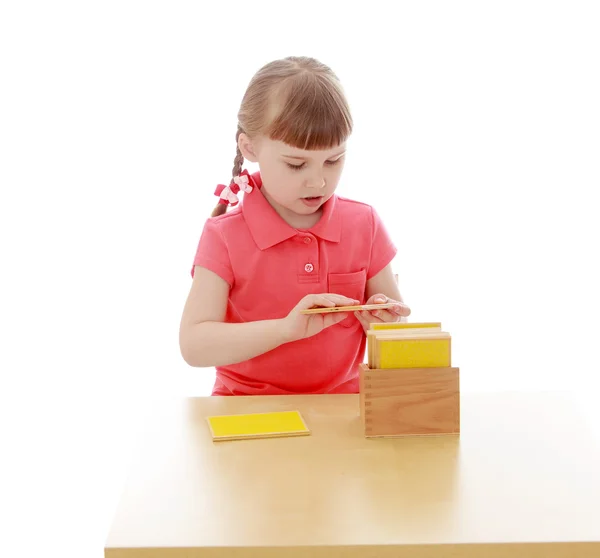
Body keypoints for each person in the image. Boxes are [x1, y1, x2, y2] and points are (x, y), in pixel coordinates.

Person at [179, 56, 411, 396]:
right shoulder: (224, 235)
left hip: (343, 406)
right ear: (250, 147)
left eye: (333, 160)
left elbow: (399, 327)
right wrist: (286, 329)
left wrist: (386, 323)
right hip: (244, 406)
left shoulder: (364, 223)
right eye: (296, 164)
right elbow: (194, 345)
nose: (318, 181)